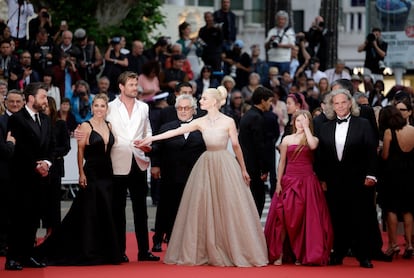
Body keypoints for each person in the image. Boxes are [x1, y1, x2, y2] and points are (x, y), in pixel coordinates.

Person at [136, 85, 268, 267]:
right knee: (203, 207)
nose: (200, 101)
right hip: (205, 166)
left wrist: (243, 170)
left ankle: (231, 247)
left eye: (204, 98)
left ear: (214, 101)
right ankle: (207, 247)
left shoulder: (229, 121)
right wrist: (150, 139)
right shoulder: (201, 122)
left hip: (224, 164)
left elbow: (237, 147)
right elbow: (173, 132)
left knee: (228, 207)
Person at [36, 93, 122, 265]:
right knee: (88, 212)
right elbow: (80, 152)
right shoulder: (85, 126)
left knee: (105, 211)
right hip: (92, 172)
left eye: (102, 106)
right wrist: (81, 173)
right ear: (91, 108)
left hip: (107, 173)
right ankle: (87, 250)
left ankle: (105, 251)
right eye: (96, 106)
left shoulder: (110, 125)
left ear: (107, 108)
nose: (99, 109)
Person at [316, 89, 378, 268]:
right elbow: (321, 157)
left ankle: (363, 255)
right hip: (334, 182)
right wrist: (322, 179)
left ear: (350, 103)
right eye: (336, 103)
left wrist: (371, 174)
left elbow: (371, 152)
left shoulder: (364, 124)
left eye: (343, 102)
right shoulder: (325, 127)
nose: (340, 106)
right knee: (337, 218)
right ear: (332, 106)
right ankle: (338, 253)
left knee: (360, 217)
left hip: (359, 180)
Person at [265, 110, 333, 265]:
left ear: (309, 122)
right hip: (289, 181)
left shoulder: (312, 138)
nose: (300, 124)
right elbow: (281, 163)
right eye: (298, 121)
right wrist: (278, 183)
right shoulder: (287, 139)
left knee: (304, 220)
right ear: (293, 122)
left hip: (307, 182)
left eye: (304, 121)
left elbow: (313, 146)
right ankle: (280, 254)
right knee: (283, 218)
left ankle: (301, 254)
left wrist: (307, 128)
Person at [106, 71, 159, 262]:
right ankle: (119, 251)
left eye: (136, 84)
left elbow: (148, 131)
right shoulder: (110, 108)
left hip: (138, 162)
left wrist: (148, 144)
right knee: (117, 209)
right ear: (121, 87)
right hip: (117, 163)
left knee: (141, 210)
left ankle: (144, 251)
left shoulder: (144, 107)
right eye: (131, 85)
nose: (135, 88)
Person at [5, 82, 53, 271]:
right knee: (19, 219)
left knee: (33, 219)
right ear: (31, 98)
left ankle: (27, 255)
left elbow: (51, 145)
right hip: (22, 178)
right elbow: (20, 149)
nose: (45, 100)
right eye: (42, 96)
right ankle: (12, 258)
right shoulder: (17, 119)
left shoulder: (46, 120)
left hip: (41, 179)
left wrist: (47, 163)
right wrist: (36, 165)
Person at [150, 94, 206, 252]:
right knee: (165, 208)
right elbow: (157, 148)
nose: (183, 111)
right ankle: (158, 239)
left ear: (194, 110)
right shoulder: (167, 127)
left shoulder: (201, 127)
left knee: (191, 209)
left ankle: (186, 241)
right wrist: (155, 165)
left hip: (193, 176)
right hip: (170, 174)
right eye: (180, 108)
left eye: (186, 108)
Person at [379, 105, 414, 259]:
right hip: (410, 174)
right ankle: (410, 244)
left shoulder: (389, 132)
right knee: (408, 209)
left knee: (391, 209)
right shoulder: (413, 130)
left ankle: (393, 245)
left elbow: (385, 155)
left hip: (392, 175)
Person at [238, 86, 274, 217]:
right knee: (257, 200)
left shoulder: (248, 115)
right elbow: (259, 146)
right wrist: (264, 169)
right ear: (262, 100)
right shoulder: (257, 118)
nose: (270, 104)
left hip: (246, 164)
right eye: (269, 101)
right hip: (254, 167)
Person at [40, 96, 70, 238]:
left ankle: (53, 232)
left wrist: (50, 157)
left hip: (55, 168)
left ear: (52, 107)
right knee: (41, 201)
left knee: (53, 202)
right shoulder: (37, 123)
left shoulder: (60, 124)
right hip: (39, 168)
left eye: (46, 106)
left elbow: (66, 147)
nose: (44, 109)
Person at [265, 10, 296, 74]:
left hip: (284, 59)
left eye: (283, 19)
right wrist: (271, 40)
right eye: (279, 19)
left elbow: (292, 45)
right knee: (272, 78)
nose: (281, 21)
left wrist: (280, 45)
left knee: (283, 78)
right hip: (272, 59)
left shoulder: (289, 31)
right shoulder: (272, 31)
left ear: (286, 20)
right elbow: (266, 46)